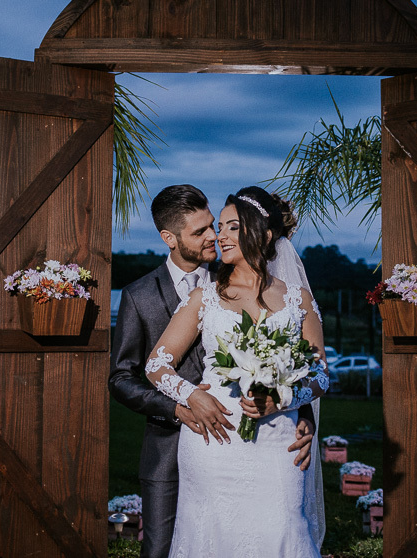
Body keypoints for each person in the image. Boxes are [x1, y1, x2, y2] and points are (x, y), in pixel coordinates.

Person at [109, 185, 315, 558]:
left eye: (223, 227)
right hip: (198, 441)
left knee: (281, 529)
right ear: (170, 238)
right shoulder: (183, 294)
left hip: (273, 442)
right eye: (207, 230)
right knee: (186, 541)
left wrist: (291, 405)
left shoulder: (291, 296)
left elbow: (314, 371)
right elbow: (140, 370)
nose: (215, 237)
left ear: (263, 234)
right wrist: (188, 397)